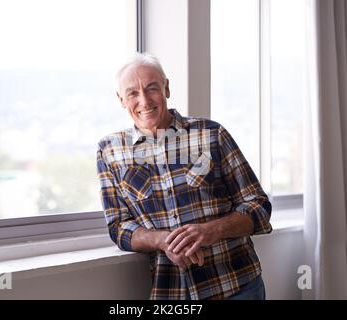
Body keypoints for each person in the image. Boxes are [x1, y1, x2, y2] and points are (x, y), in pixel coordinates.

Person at [97, 53, 272, 300]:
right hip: (172, 292)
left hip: (236, 285)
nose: (144, 100)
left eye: (152, 88)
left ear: (166, 88)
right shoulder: (110, 151)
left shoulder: (212, 134)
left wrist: (212, 230)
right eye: (133, 93)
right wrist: (163, 241)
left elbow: (259, 206)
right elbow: (118, 227)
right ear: (121, 100)